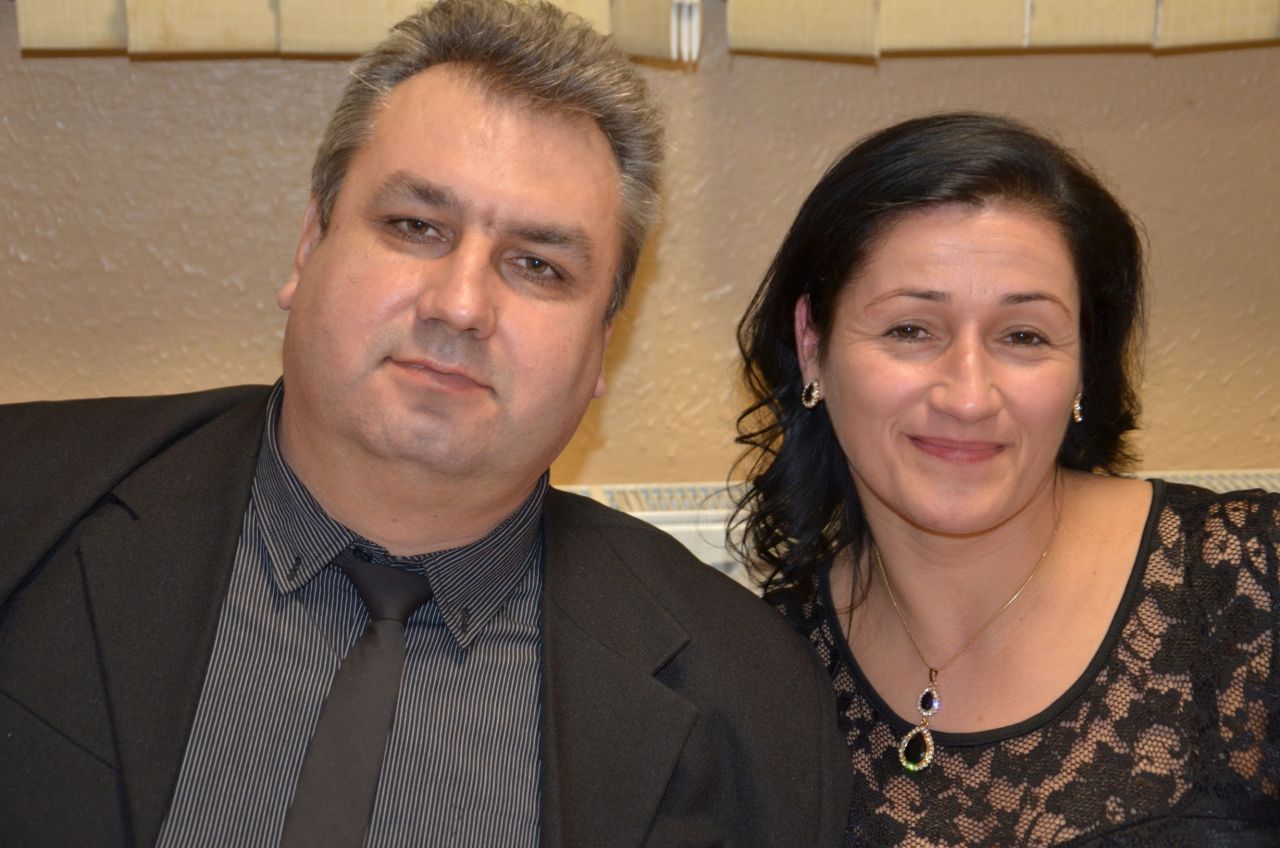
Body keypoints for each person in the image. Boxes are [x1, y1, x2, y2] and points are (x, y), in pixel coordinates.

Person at [0, 2, 851, 845]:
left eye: (538, 265)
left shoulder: (753, 709)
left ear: (603, 345)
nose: (461, 304)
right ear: (309, 245)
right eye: (416, 227)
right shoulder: (27, 499)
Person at [732, 112, 1280, 845]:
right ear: (812, 346)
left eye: (1023, 336)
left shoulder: (1247, 579)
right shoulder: (765, 675)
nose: (967, 396)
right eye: (910, 330)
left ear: (1085, 363)